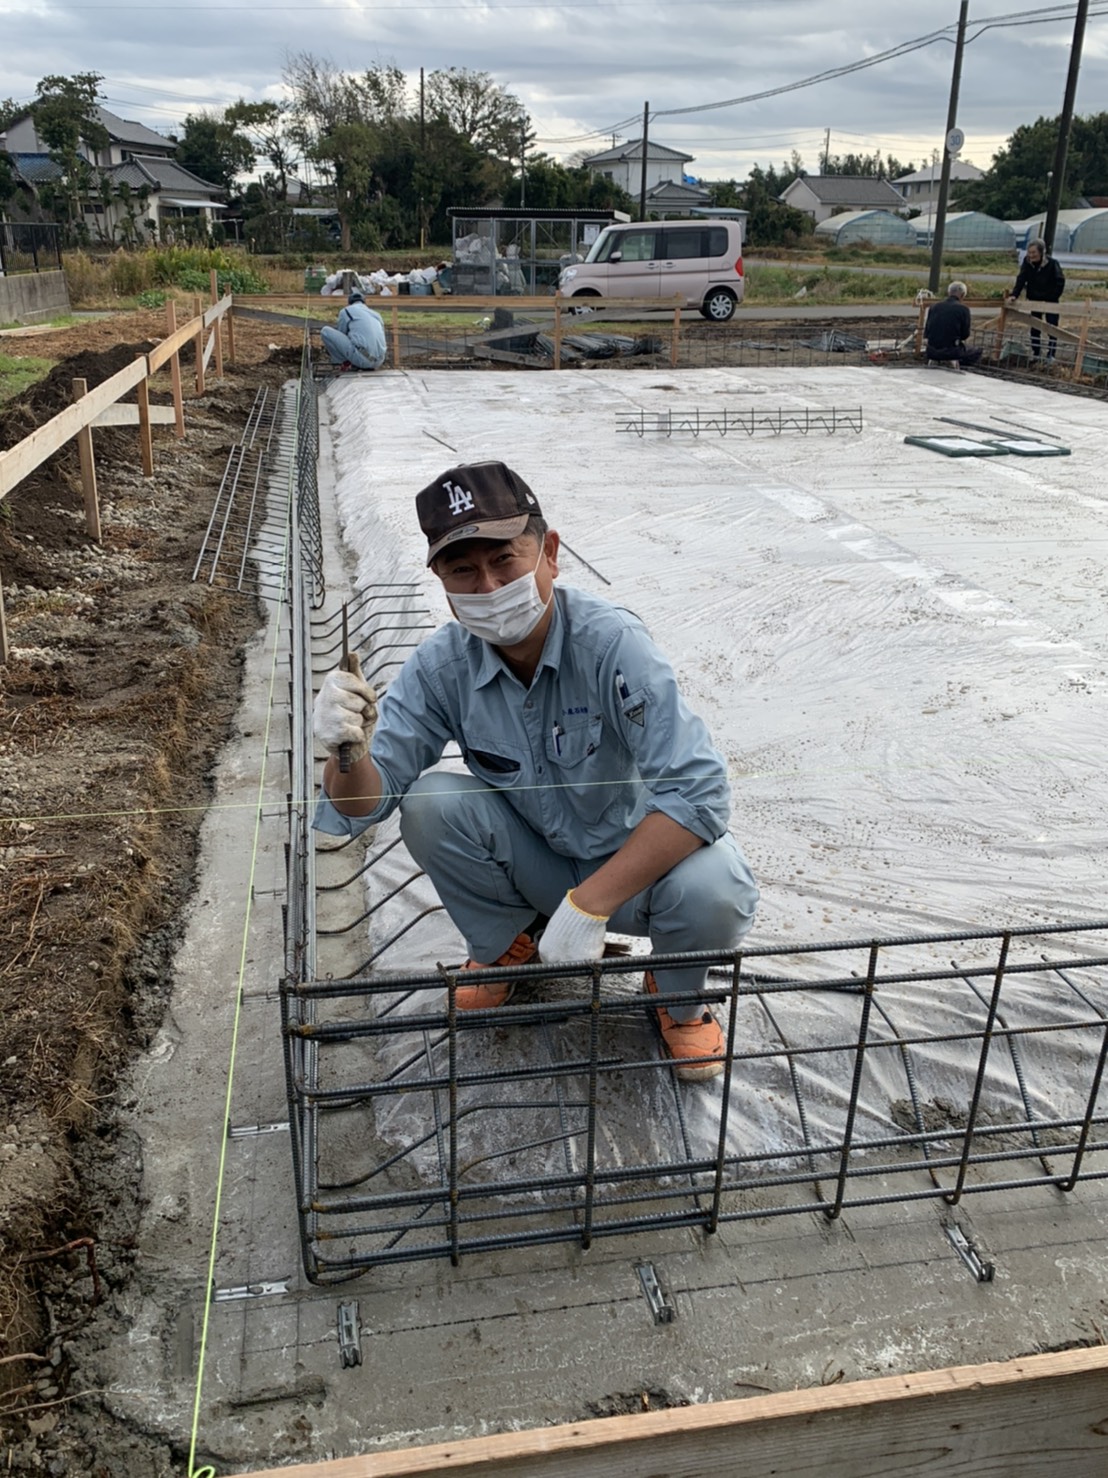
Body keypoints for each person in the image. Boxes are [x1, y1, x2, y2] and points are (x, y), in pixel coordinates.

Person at [312, 461, 759, 1081]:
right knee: (431, 802)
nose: (488, 587)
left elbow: (699, 793)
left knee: (719, 885)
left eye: (504, 560)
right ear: (441, 581)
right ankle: (504, 950)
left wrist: (589, 906)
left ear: (549, 552)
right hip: (537, 866)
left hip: (635, 875)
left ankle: (677, 993)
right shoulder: (443, 667)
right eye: (463, 571)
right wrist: (346, 753)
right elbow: (365, 804)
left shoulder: (610, 645)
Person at [1007, 237, 1065, 363]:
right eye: (1030, 252)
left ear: (1041, 252)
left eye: (1034, 252)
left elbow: (1060, 281)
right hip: (1035, 299)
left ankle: (1051, 354)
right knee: (1035, 328)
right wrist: (1014, 294)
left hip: (1050, 300)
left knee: (1052, 328)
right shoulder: (1027, 263)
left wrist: (1053, 296)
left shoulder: (1052, 263)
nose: (1031, 255)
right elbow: (1021, 279)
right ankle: (1036, 353)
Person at [320, 290, 387, 372]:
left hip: (363, 360)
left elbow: (342, 333)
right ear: (364, 303)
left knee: (325, 331)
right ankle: (358, 361)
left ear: (349, 303)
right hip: (379, 361)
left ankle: (342, 363)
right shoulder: (376, 315)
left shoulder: (346, 311)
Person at [923, 282, 982, 369]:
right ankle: (959, 369)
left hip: (932, 350)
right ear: (962, 295)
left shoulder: (934, 307)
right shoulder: (963, 309)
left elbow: (927, 331)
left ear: (948, 292)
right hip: (951, 351)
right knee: (977, 351)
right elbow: (965, 335)